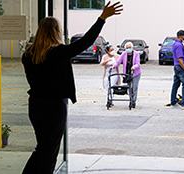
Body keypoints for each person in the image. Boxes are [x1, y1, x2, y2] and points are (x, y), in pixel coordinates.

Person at [21, 2, 123, 173]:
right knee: (49, 153)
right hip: (53, 107)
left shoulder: (28, 55)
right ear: (56, 32)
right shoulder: (57, 53)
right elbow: (86, 42)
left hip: (35, 105)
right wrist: (102, 18)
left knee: (41, 149)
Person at [111, 42, 141, 108]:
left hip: (135, 73)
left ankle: (134, 101)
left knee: (134, 87)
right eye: (127, 48)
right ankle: (131, 100)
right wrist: (114, 66)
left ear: (132, 48)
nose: (128, 49)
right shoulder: (124, 54)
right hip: (127, 73)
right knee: (129, 88)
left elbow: (138, 64)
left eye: (129, 47)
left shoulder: (136, 54)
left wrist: (134, 67)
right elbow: (118, 61)